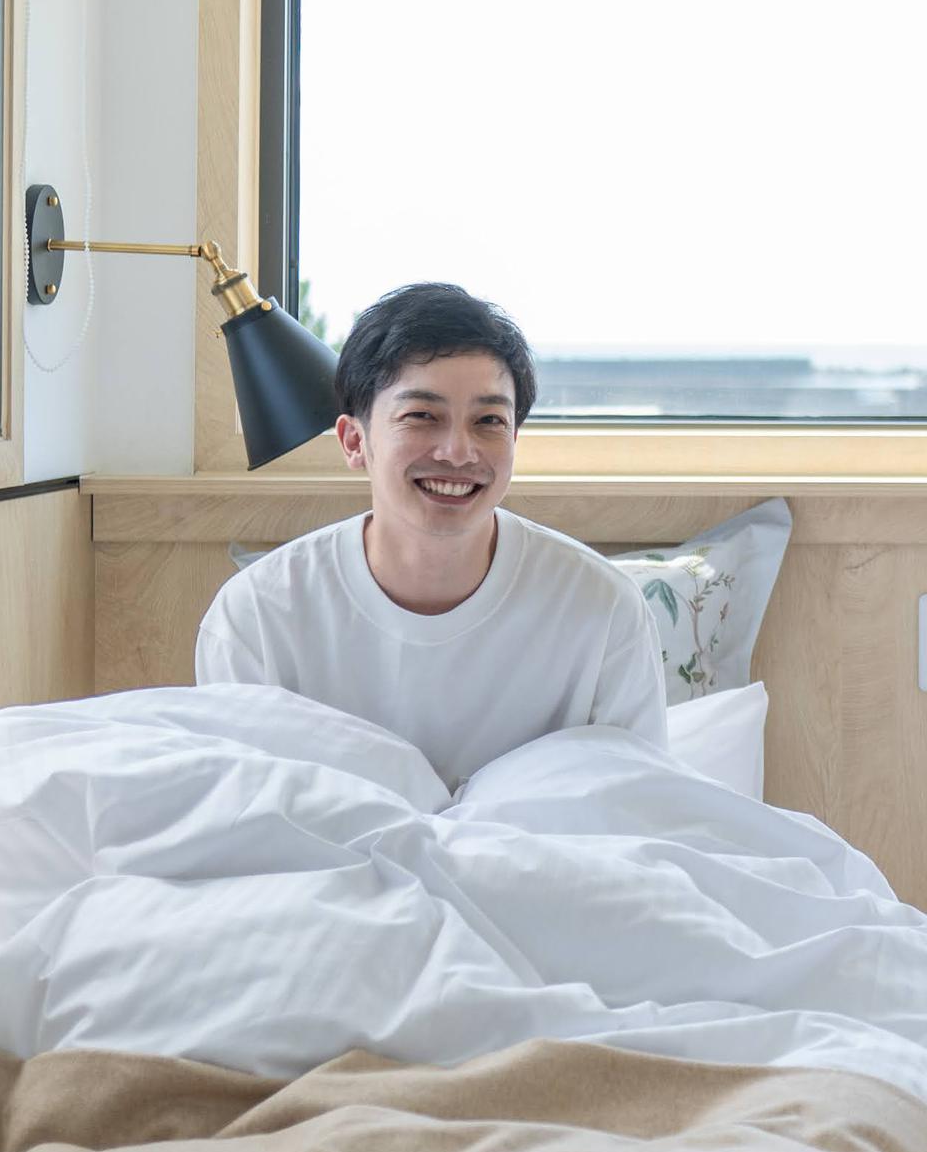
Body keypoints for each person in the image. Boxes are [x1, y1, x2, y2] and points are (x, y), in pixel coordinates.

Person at [195, 281, 667, 784]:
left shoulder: (602, 607)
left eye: (488, 421)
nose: (458, 452)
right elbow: (243, 811)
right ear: (354, 441)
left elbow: (637, 805)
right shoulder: (259, 613)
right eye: (422, 416)